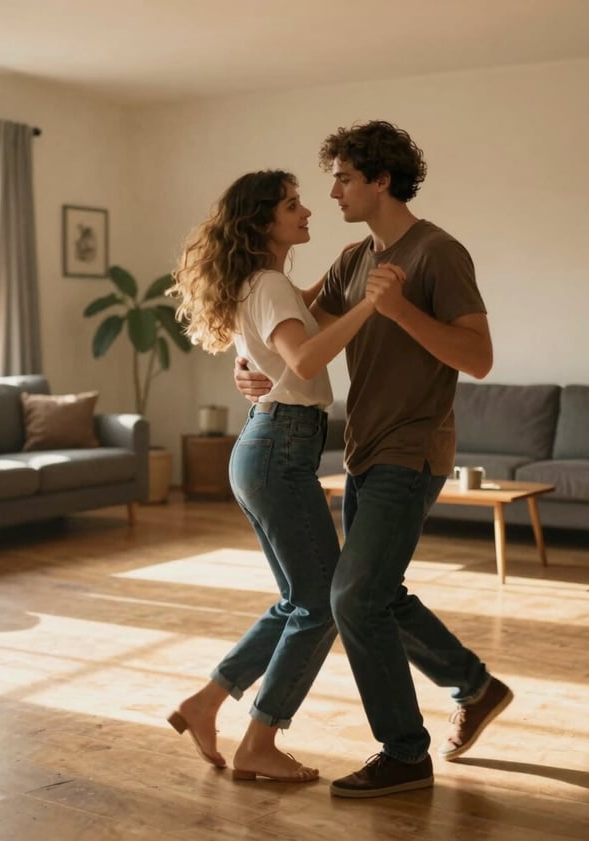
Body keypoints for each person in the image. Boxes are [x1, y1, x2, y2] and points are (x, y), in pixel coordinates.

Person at [235, 120, 512, 798]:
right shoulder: (356, 257)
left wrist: (398, 311)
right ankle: (474, 686)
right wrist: (247, 365)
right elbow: (288, 321)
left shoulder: (439, 253)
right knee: (376, 592)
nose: (332, 192)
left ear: (380, 179)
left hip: (412, 448)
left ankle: (405, 752)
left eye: (344, 178)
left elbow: (477, 357)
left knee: (352, 595)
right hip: (363, 449)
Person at [165, 169, 378, 784]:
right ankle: (260, 740)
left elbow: (293, 324)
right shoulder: (269, 286)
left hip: (265, 447)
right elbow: (307, 356)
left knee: (299, 599)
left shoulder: (266, 284)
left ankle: (206, 704)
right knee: (322, 605)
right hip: (280, 450)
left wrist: (334, 280)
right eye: (292, 205)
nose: (307, 210)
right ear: (263, 222)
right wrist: (370, 302)